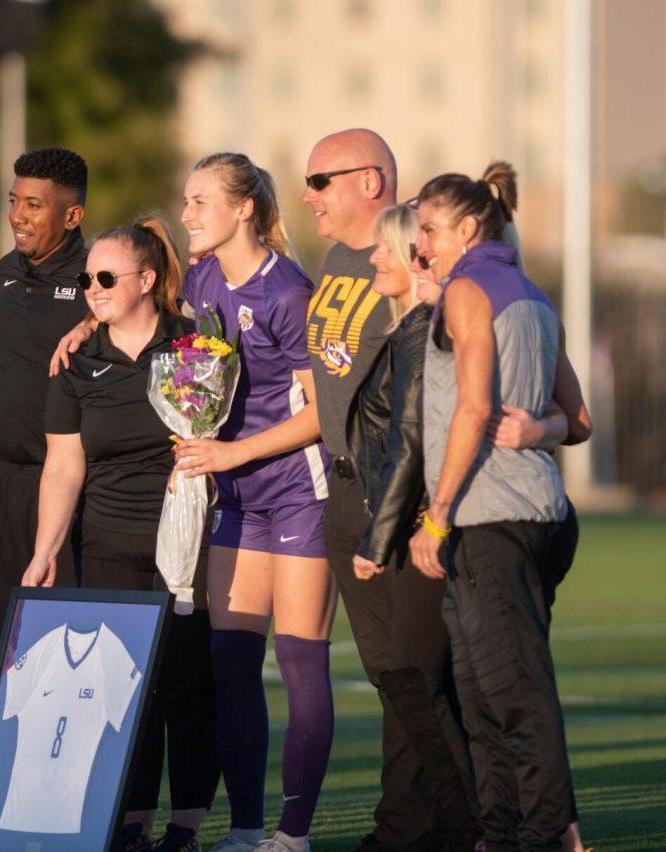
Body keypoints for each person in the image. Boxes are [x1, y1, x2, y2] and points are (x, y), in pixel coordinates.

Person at [23, 217, 220, 852]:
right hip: (106, 542)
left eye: (106, 278)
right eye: (86, 280)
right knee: (126, 692)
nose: (93, 289)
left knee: (189, 687)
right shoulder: (75, 360)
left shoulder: (193, 342)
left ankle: (185, 828)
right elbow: (64, 463)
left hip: (187, 548)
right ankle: (131, 823)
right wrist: (45, 549)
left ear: (147, 280)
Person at [301, 128, 467, 852]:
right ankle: (418, 823)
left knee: (412, 671)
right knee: (389, 673)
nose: (310, 196)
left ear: (372, 181)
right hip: (343, 484)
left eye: (321, 180)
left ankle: (418, 827)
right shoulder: (337, 259)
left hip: (394, 494)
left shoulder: (417, 272)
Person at [409, 161, 576, 852]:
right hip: (537, 515)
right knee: (482, 695)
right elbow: (580, 418)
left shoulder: (471, 288)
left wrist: (436, 515)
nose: (422, 245)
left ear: (469, 227)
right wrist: (542, 430)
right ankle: (502, 832)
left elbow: (475, 408)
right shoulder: (532, 291)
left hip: (489, 519)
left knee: (512, 693)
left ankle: (542, 835)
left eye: (429, 230)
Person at [172, 153, 332, 852]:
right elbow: (189, 369)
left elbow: (323, 413)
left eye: (200, 201)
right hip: (235, 497)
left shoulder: (289, 292)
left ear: (242, 209)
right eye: (186, 201)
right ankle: (242, 830)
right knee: (230, 662)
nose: (187, 215)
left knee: (300, 663)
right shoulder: (203, 277)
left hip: (299, 493)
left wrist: (232, 453)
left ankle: (291, 836)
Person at [343, 204, 479, 851]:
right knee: (416, 681)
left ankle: (474, 827)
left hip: (422, 527)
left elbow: (411, 443)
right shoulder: (408, 330)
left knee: (415, 678)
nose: (373, 260)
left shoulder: (422, 332)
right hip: (406, 524)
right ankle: (428, 827)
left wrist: (378, 537)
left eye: (384, 251)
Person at [0, 147, 92, 654]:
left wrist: (90, 321)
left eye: (34, 205)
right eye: (14, 200)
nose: (17, 215)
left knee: (68, 648)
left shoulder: (95, 277)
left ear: (73, 215)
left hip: (65, 488)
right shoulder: (5, 271)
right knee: (8, 650)